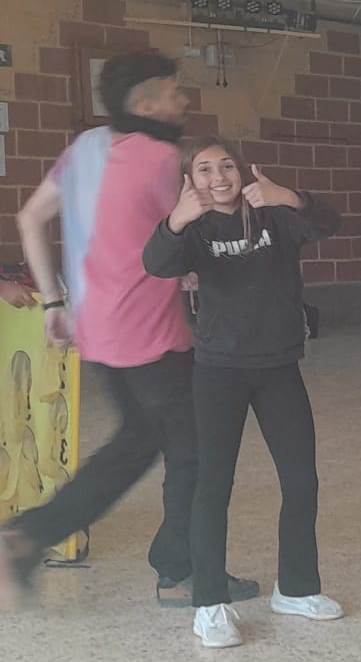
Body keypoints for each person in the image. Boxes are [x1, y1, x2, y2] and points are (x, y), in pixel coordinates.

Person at [1, 50, 258, 611]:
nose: (183, 100)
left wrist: (54, 303)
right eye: (173, 92)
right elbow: (203, 231)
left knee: (138, 443)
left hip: (98, 331)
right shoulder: (163, 159)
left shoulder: (85, 148)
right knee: (194, 454)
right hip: (151, 336)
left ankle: (30, 537)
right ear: (146, 105)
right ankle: (178, 573)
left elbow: (29, 218)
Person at [143, 142, 343, 647]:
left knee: (301, 480)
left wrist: (289, 196)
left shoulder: (273, 214)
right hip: (219, 372)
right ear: (191, 181)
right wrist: (176, 220)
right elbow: (156, 263)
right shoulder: (194, 229)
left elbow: (328, 223)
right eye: (204, 169)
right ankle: (209, 604)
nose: (219, 176)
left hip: (278, 367)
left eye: (227, 165)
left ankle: (296, 588)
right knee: (213, 486)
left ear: (243, 171)